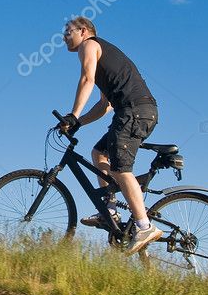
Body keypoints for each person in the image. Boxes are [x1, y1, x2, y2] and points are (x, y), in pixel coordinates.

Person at [58, 17, 162, 255]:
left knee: (120, 168)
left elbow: (86, 79)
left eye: (67, 31)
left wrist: (73, 114)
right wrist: (79, 123)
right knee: (99, 153)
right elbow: (105, 105)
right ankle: (110, 210)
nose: (64, 37)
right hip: (138, 111)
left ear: (83, 31)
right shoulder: (102, 57)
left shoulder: (90, 45)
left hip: (134, 111)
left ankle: (144, 226)